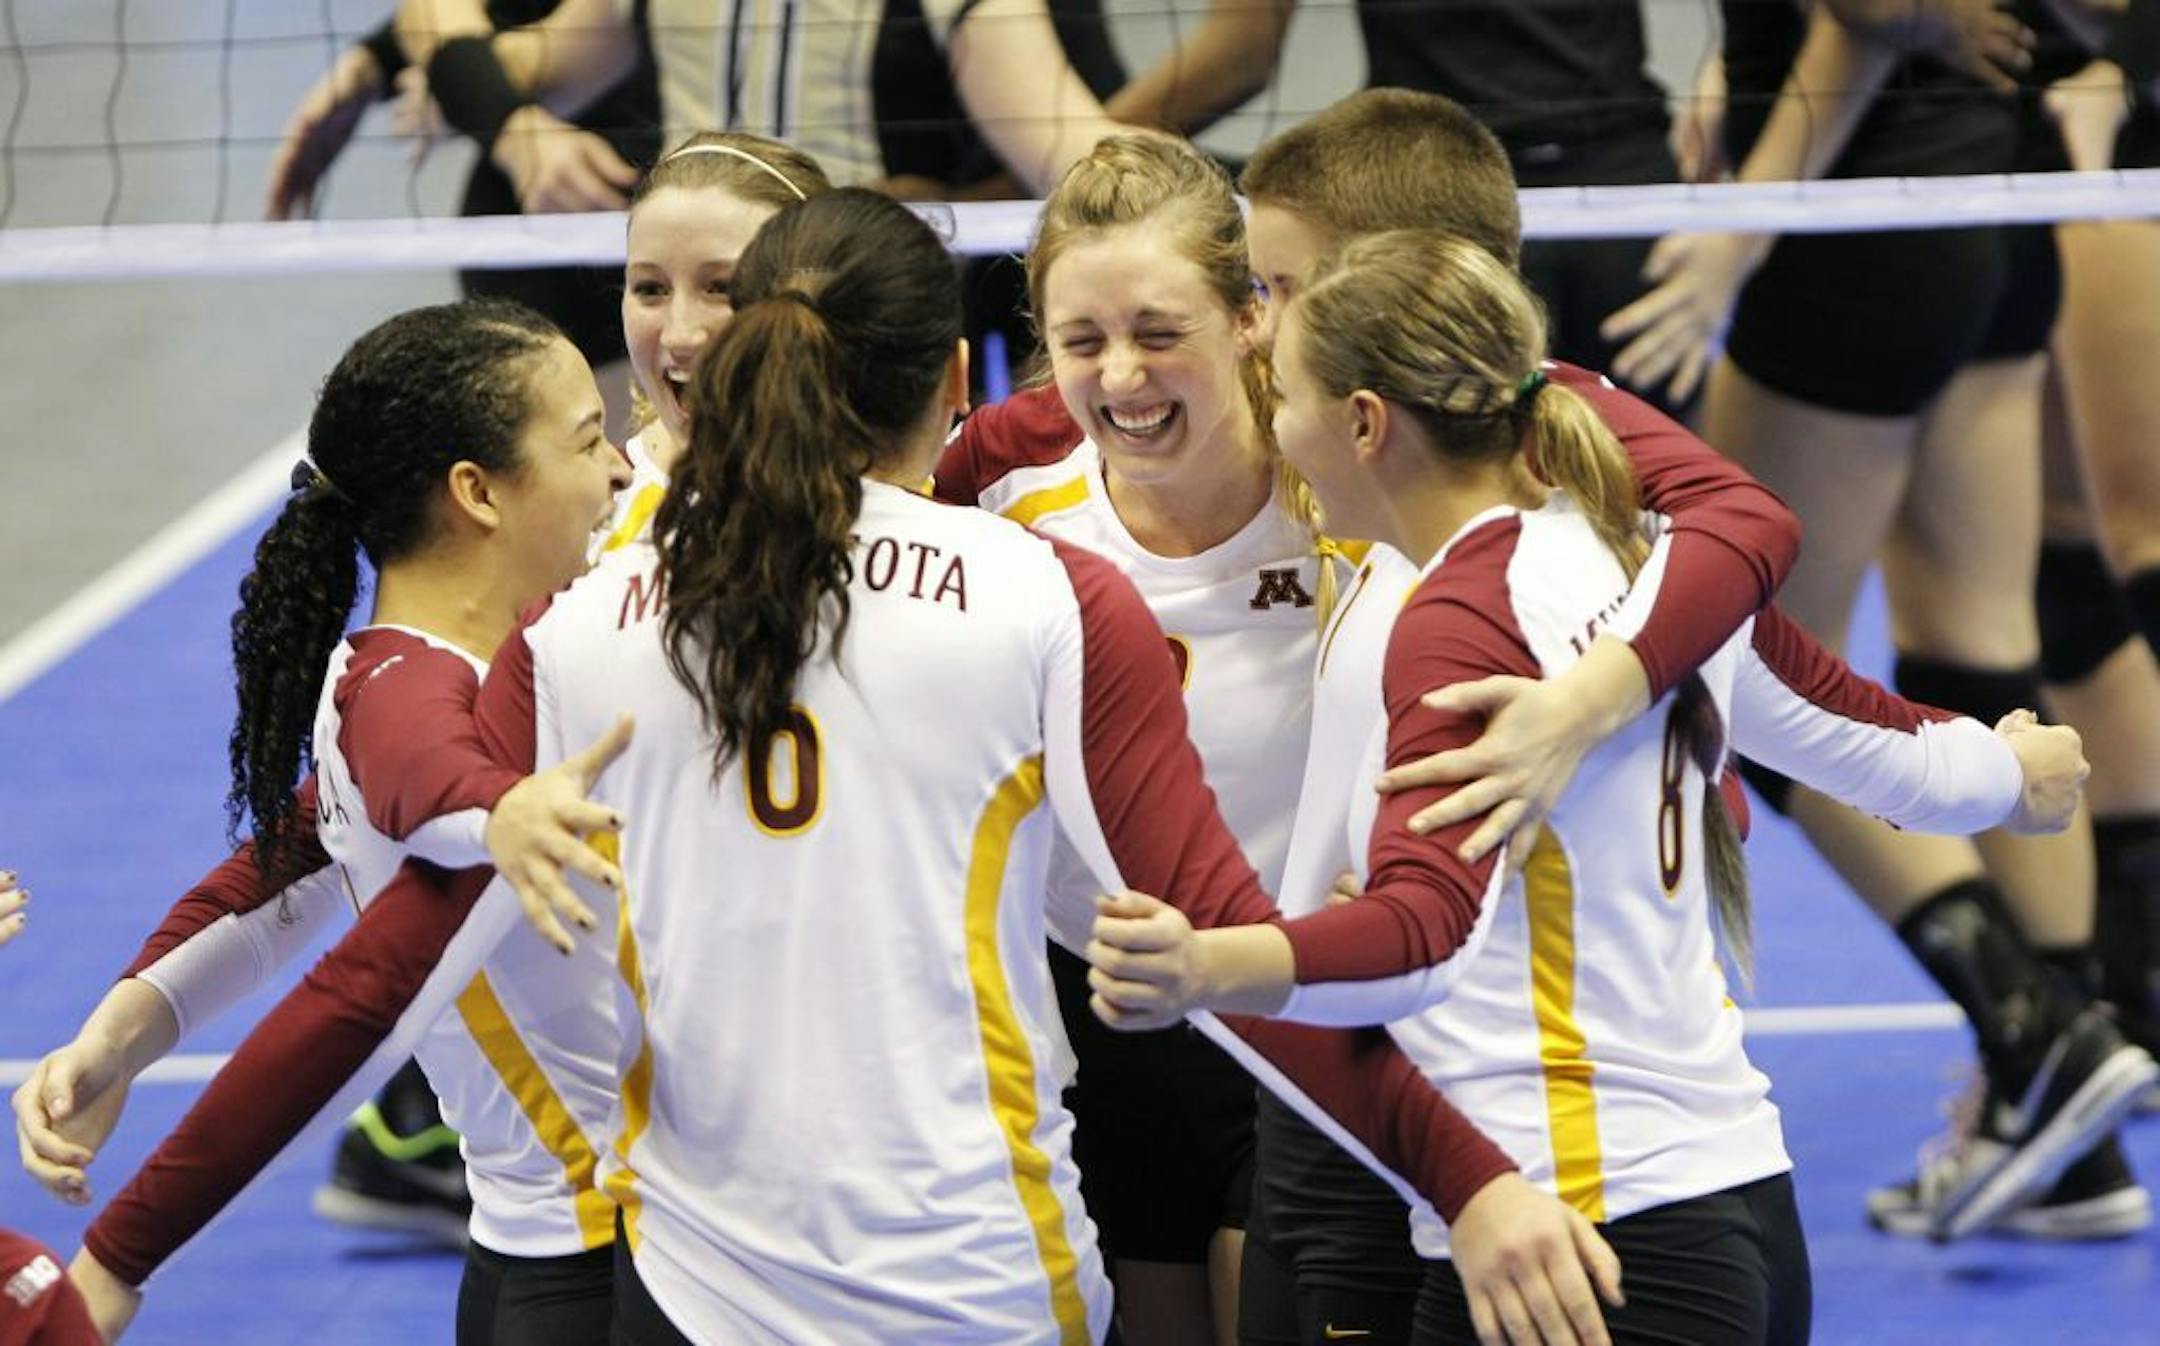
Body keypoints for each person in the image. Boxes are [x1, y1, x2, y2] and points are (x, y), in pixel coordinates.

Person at [64, 188, 1626, 1346]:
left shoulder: (585, 624)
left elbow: (370, 976)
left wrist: (122, 1253)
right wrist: (1471, 1177)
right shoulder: (1045, 594)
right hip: (980, 1281)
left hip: (692, 1295)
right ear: (953, 377)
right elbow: (1228, 949)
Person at [1093, 227, 2097, 1344]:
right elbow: (1869, 741)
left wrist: (1212, 964)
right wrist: (2013, 770)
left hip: (1578, 1244)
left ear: (1367, 423)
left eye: (1285, 400)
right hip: (1738, 1203)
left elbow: (1424, 936)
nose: (1275, 431)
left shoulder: (1456, 624)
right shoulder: (1650, 556)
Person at [932, 127, 1799, 1345]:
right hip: (1104, 986)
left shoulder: (1352, 453)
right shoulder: (1006, 471)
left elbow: (1741, 523)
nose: (1121, 374)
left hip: (1305, 987)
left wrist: (1607, 707)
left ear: (1252, 314)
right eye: (1082, 341)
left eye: (1160, 332)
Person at [1602, 1, 2148, 1238]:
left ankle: (2034, 1028)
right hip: (1988, 205)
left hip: (1852, 218)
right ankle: (2067, 1139)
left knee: (1751, 681)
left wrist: (1746, 221)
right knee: (1982, 649)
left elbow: (1872, 13)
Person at [15, 299, 636, 1346]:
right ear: (478, 492)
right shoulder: (414, 704)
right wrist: (498, 807)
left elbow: (296, 862)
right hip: (596, 1262)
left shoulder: (416, 662)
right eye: (587, 441)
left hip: (547, 1252)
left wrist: (117, 1035)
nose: (619, 468)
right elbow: (424, 779)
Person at [386, 0, 1124, 196]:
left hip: (850, 296)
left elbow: (1073, 154)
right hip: (688, 283)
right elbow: (434, 20)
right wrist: (516, 131)